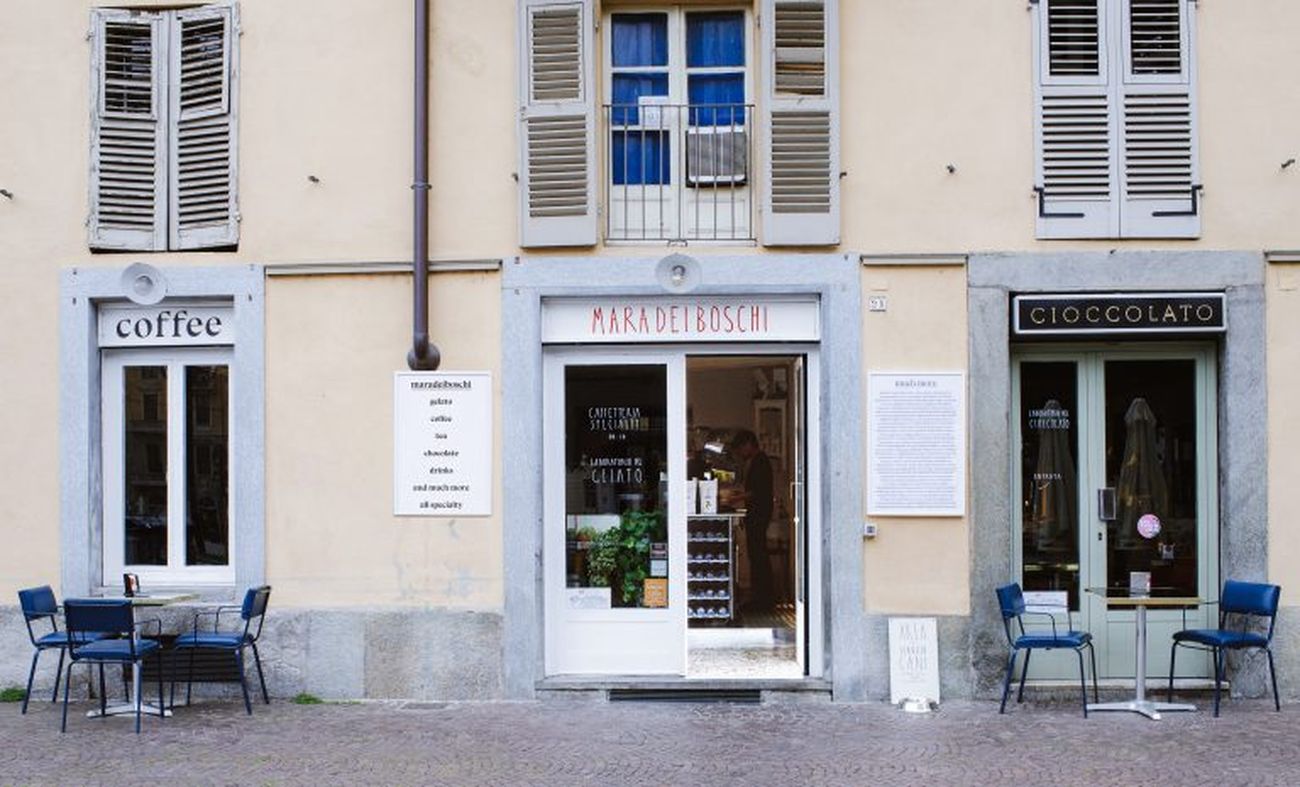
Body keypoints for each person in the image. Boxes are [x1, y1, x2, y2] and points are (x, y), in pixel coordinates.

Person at [730, 429, 773, 614]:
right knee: (757, 555)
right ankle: (761, 598)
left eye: (740, 448)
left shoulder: (760, 462)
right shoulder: (757, 461)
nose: (740, 453)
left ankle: (763, 600)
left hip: (759, 514)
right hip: (758, 514)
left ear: (748, 443)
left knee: (758, 555)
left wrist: (734, 498)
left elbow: (757, 491)